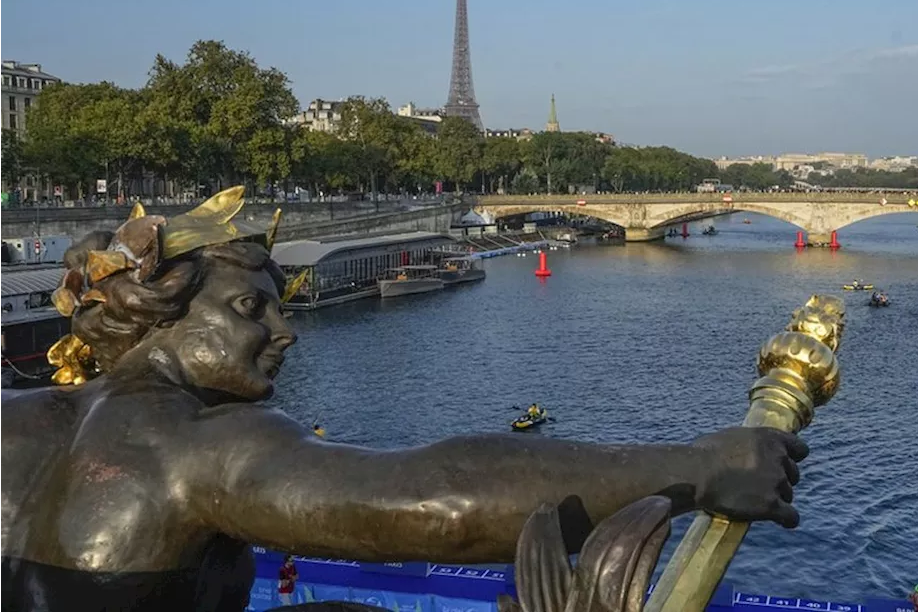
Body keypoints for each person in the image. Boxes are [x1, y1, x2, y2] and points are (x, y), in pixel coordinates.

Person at [0, 188, 810, 612]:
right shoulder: (192, 444)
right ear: (161, 313)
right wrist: (698, 466)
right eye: (252, 308)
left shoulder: (20, 417)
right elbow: (435, 504)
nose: (286, 331)